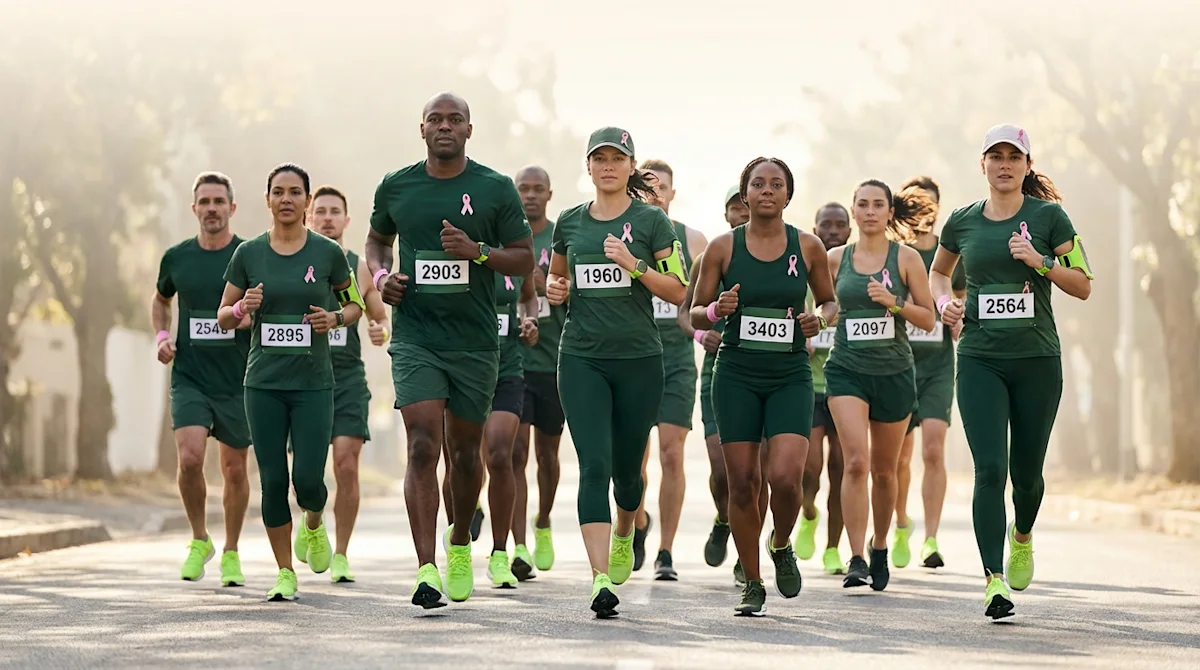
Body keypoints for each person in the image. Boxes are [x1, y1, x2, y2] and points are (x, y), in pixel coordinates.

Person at [365, 92, 534, 608]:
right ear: (421, 130)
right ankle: (426, 570)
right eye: (435, 120)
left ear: (468, 129)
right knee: (421, 445)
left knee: (465, 455)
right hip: (417, 337)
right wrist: (379, 278)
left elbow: (525, 260)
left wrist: (477, 252)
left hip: (476, 344)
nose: (444, 126)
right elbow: (376, 242)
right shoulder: (397, 186)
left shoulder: (494, 188)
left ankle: (459, 541)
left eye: (454, 119)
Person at [930, 124, 1092, 620]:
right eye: (994, 156)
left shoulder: (1050, 217)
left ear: (1027, 164)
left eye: (1013, 157)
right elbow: (939, 272)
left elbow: (1083, 284)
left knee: (1026, 476)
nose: (1004, 164)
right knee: (989, 471)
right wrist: (944, 305)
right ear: (982, 164)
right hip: (979, 358)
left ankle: (1021, 536)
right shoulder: (961, 221)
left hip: (1037, 362)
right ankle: (993, 580)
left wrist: (1041, 261)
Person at [545, 126, 687, 618]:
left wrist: (634, 265)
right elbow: (556, 277)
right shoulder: (569, 222)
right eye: (598, 158)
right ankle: (599, 579)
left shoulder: (651, 223)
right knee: (595, 465)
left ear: (631, 166)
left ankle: (629, 528)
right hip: (581, 358)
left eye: (617, 158)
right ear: (587, 166)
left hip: (639, 362)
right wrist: (554, 291)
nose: (607, 165)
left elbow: (677, 290)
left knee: (628, 476)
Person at [690, 157, 838, 616]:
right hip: (735, 374)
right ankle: (752, 582)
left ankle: (780, 544)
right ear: (745, 194)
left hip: (790, 373)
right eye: (759, 184)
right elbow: (694, 313)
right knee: (744, 482)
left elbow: (831, 302)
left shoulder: (808, 246)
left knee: (787, 479)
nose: (767, 190)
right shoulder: (721, 248)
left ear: (788, 195)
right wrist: (718, 309)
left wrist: (820, 318)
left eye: (777, 184)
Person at [216, 163, 365, 601]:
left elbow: (354, 304)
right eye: (278, 192)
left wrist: (334, 318)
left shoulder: (326, 253)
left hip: (315, 385)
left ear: (306, 200)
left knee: (309, 481)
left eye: (295, 192)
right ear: (267, 201)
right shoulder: (248, 254)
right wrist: (243, 307)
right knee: (274, 481)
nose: (286, 199)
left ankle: (314, 521)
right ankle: (284, 571)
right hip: (262, 384)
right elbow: (223, 316)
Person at [823, 179, 937, 592]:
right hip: (846, 371)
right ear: (853, 212)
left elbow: (928, 318)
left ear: (890, 213)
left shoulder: (905, 258)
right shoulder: (836, 259)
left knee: (885, 471)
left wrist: (895, 303)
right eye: (863, 204)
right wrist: (819, 320)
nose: (870, 211)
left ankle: (880, 544)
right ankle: (855, 557)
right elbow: (823, 307)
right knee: (855, 462)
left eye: (878, 205)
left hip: (894, 373)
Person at [153, 171, 252, 586]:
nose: (211, 208)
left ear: (232, 207)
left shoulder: (249, 255)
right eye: (204, 202)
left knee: (233, 470)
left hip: (238, 378)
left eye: (218, 201)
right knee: (190, 459)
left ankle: (231, 550)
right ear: (194, 208)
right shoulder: (176, 257)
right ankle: (199, 539)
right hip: (190, 376)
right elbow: (161, 300)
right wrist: (161, 335)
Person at [294, 185, 390, 584]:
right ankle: (313, 521)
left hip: (347, 379)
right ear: (308, 217)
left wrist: (379, 327)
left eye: (336, 211)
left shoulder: (357, 266)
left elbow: (379, 313)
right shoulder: (292, 261)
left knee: (346, 464)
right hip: (302, 379)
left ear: (347, 221)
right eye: (321, 211)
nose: (328, 217)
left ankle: (342, 554)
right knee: (309, 473)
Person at [440, 263, 539, 587]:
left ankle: (500, 554)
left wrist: (529, 320)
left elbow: (528, 297)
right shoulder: (456, 254)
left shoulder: (513, 254)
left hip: (506, 368)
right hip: (461, 370)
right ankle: (460, 545)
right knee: (460, 459)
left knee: (499, 455)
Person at [632, 159, 708, 579]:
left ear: (672, 194)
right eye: (648, 185)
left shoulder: (692, 239)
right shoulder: (624, 236)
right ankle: (639, 521)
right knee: (635, 460)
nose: (655, 192)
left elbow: (705, 295)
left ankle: (666, 552)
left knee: (671, 454)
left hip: (677, 361)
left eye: (662, 187)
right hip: (634, 358)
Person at [688, 185, 767, 587]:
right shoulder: (711, 256)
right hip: (721, 372)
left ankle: (747, 555)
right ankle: (724, 518)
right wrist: (705, 337)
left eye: (745, 206)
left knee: (758, 474)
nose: (741, 214)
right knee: (725, 473)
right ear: (726, 215)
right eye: (734, 209)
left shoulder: (779, 253)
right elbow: (687, 315)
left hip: (768, 373)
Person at [890, 176, 966, 571]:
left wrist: (957, 316)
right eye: (917, 203)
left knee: (933, 449)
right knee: (899, 456)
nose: (926, 211)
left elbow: (963, 301)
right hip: (898, 363)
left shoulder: (949, 255)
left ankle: (931, 539)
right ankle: (901, 522)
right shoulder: (894, 255)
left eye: (931, 204)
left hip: (938, 364)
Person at [511, 165, 565, 580]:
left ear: (549, 195)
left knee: (547, 456)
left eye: (537, 190)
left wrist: (549, 286)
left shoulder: (560, 238)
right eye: (522, 189)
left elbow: (577, 291)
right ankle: (519, 548)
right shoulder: (502, 238)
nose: (529, 196)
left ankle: (543, 520)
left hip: (554, 363)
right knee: (515, 454)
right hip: (513, 362)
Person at [795, 202, 851, 576]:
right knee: (810, 467)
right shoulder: (801, 272)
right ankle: (809, 513)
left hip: (846, 383)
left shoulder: (855, 273)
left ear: (849, 231)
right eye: (825, 225)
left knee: (841, 470)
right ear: (814, 228)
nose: (832, 231)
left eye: (839, 225)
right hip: (810, 384)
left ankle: (833, 548)